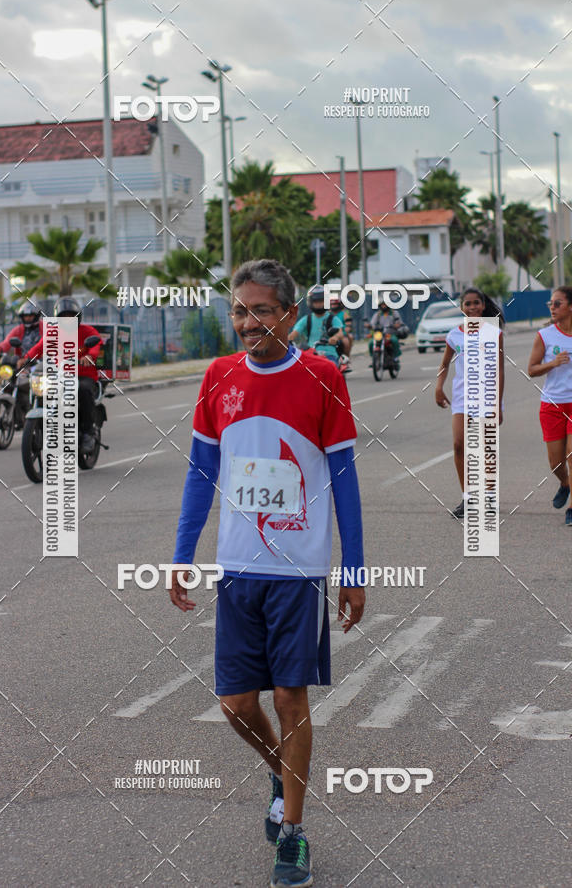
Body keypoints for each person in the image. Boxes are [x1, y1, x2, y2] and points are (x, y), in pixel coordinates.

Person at [169, 259, 365, 888]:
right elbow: (201, 473)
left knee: (289, 697)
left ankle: (293, 833)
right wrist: (182, 556)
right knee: (234, 704)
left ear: (288, 313)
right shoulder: (219, 376)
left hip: (298, 573)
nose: (246, 323)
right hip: (237, 571)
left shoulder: (322, 375)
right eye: (238, 311)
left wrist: (353, 570)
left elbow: (345, 482)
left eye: (259, 310)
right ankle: (284, 770)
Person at [435, 288, 504, 519]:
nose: (473, 308)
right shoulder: (454, 335)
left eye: (476, 303)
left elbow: (500, 370)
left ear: (483, 306)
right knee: (458, 445)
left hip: (486, 398)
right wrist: (438, 387)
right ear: (462, 307)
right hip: (462, 398)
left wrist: (498, 404)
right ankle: (468, 499)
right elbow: (444, 364)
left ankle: (490, 496)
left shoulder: (493, 333)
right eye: (468, 304)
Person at [17, 297, 102, 453]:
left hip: (83, 375)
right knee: (42, 390)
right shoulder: (54, 332)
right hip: (59, 374)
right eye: (64, 316)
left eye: (71, 315)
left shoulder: (88, 331)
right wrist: (26, 358)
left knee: (83, 390)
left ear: (77, 317)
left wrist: (88, 356)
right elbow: (39, 347)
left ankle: (88, 433)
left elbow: (95, 345)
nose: (67, 319)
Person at [527, 286, 572, 524]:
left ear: (570, 306)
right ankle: (565, 483)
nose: (552, 308)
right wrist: (553, 363)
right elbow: (531, 370)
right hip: (552, 405)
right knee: (556, 462)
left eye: (557, 303)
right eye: (550, 304)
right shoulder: (545, 336)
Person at [0, 300, 43, 417]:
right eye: (25, 316)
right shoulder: (19, 329)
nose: (27, 318)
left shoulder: (45, 328)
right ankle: (15, 411)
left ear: (37, 315)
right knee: (9, 379)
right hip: (21, 364)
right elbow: (7, 341)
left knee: (39, 390)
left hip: (40, 364)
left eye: (30, 315)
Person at [288, 285, 347, 366]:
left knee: (331, 366)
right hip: (310, 353)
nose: (319, 304)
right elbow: (295, 332)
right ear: (310, 302)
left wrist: (335, 337)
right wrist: (288, 340)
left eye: (321, 301)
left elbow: (340, 332)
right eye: (316, 302)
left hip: (329, 353)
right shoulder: (306, 319)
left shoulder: (332, 318)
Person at [368, 300, 404, 364]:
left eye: (384, 305)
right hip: (380, 334)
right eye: (382, 305)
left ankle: (396, 357)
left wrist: (397, 325)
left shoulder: (394, 313)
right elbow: (372, 324)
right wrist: (370, 326)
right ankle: (373, 359)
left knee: (394, 341)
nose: (383, 306)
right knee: (371, 343)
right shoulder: (377, 314)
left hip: (390, 333)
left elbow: (399, 322)